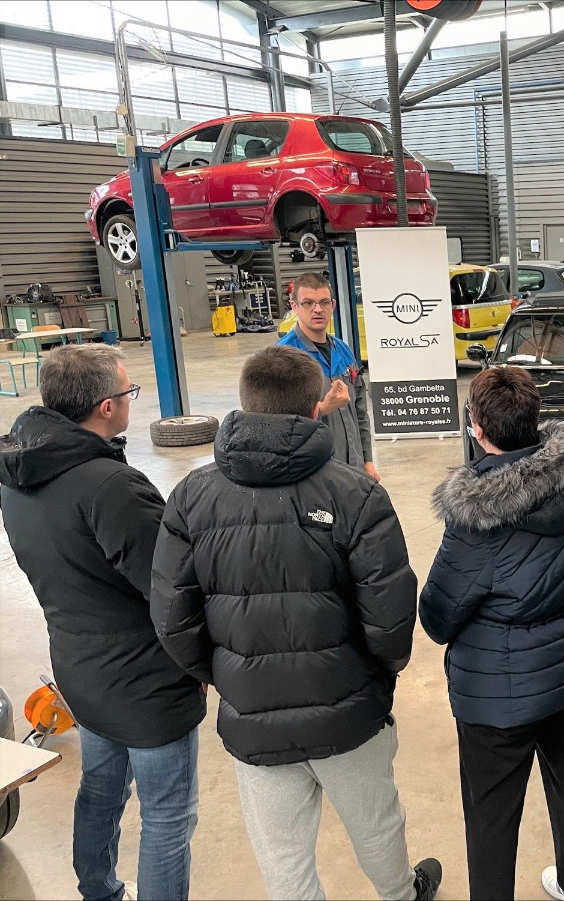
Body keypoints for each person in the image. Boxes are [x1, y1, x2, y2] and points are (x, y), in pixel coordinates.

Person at [150, 346, 440, 901]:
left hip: (252, 714)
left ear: (244, 405)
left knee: (282, 856)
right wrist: (378, 676)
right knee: (377, 826)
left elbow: (170, 616)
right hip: (349, 709)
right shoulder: (356, 494)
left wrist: (227, 675)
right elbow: (392, 615)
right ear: (316, 409)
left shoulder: (191, 496)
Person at [0, 344, 205, 901]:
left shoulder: (18, 473)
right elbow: (169, 585)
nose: (129, 400)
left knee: (101, 786)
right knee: (167, 816)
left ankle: (99, 890)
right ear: (106, 407)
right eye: (127, 392)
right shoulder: (110, 486)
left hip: (80, 666)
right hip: (145, 683)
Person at [420, 367, 564, 901]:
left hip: (497, 696)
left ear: (477, 428)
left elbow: (439, 616)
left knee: (491, 812)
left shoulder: (475, 519)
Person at [278, 271, 378, 480]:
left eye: (324, 302)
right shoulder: (284, 357)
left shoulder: (343, 350)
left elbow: (360, 411)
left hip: (353, 469)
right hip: (312, 472)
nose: (317, 309)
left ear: (332, 305)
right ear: (294, 306)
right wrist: (322, 409)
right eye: (308, 303)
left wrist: (367, 461)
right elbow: (278, 424)